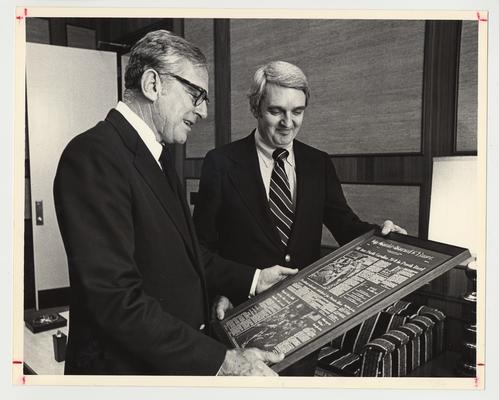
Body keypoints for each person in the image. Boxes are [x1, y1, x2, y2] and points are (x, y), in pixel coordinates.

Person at [53, 31, 297, 376]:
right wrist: (223, 362)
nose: (204, 111)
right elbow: (116, 302)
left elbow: (187, 255)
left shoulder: (161, 157)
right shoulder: (92, 155)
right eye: (196, 94)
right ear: (153, 84)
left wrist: (255, 279)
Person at [192, 60, 407, 375]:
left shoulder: (318, 163)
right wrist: (224, 291)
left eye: (297, 111)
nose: (287, 123)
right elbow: (200, 248)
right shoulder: (220, 164)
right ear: (255, 108)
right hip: (239, 320)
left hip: (302, 328)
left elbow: (346, 226)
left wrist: (381, 233)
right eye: (276, 111)